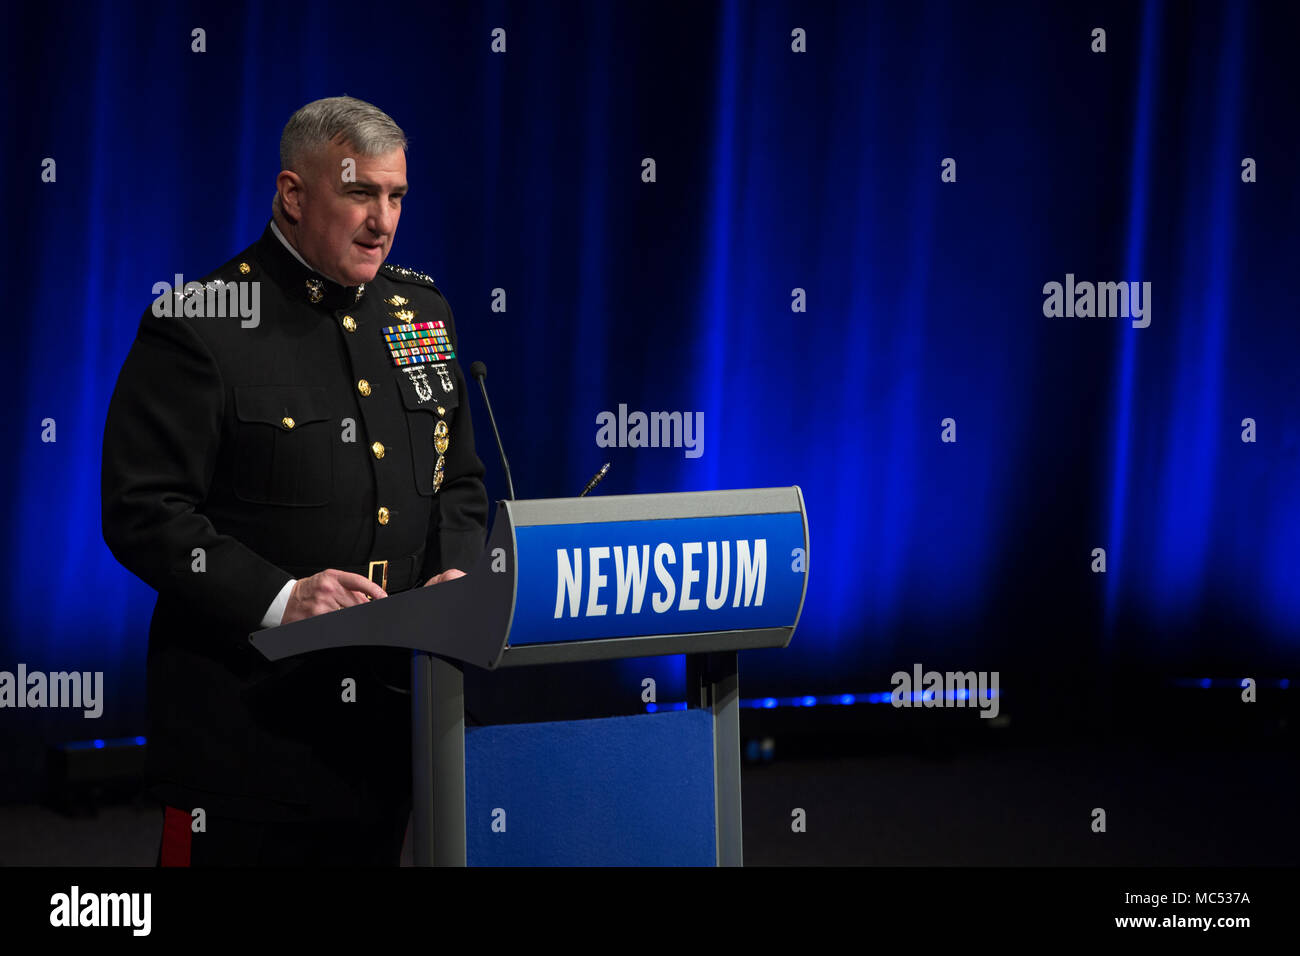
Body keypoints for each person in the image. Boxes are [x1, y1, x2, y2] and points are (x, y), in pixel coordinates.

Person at [101, 96, 489, 865]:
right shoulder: (201, 323)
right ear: (292, 193)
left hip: (388, 723)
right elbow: (143, 510)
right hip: (249, 732)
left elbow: (460, 481)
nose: (382, 220)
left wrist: (460, 567)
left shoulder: (420, 313)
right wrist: (283, 599)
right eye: (359, 194)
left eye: (396, 196)